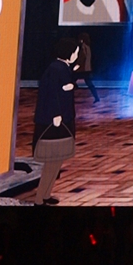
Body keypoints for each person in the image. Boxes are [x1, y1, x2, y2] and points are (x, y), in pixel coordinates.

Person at [27, 36, 81, 204]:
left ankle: (45, 195)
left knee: (56, 162)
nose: (76, 56)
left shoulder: (61, 67)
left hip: (62, 119)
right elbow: (51, 93)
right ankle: (39, 198)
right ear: (67, 53)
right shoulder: (56, 68)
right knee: (52, 162)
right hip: (56, 121)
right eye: (75, 53)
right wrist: (56, 114)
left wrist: (71, 81)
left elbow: (63, 86)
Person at [76, 32, 98, 103]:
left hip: (82, 69)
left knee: (72, 80)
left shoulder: (83, 47)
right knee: (89, 83)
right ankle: (96, 97)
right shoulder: (88, 47)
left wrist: (77, 65)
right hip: (87, 69)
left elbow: (82, 57)